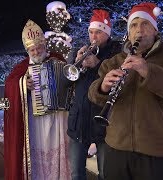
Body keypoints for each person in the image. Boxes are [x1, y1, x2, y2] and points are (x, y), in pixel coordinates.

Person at [88, 2, 163, 180]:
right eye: (134, 25)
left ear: (155, 30)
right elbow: (93, 94)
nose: (139, 30)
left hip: (158, 153)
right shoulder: (114, 61)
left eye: (145, 24)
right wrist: (103, 87)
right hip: (117, 150)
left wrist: (149, 72)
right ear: (129, 31)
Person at [4, 19, 71, 180]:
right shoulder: (21, 68)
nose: (35, 52)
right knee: (37, 152)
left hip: (57, 118)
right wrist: (22, 84)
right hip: (35, 120)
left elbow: (69, 82)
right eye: (32, 49)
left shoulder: (58, 59)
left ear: (44, 45)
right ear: (27, 50)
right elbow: (9, 84)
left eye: (38, 48)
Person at [66, 9, 120, 180]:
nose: (93, 36)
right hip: (78, 122)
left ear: (107, 33)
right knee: (76, 173)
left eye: (98, 32)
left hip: (104, 123)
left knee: (105, 174)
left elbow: (117, 83)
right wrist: (76, 63)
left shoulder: (116, 53)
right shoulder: (78, 51)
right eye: (91, 32)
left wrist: (98, 64)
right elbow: (65, 82)